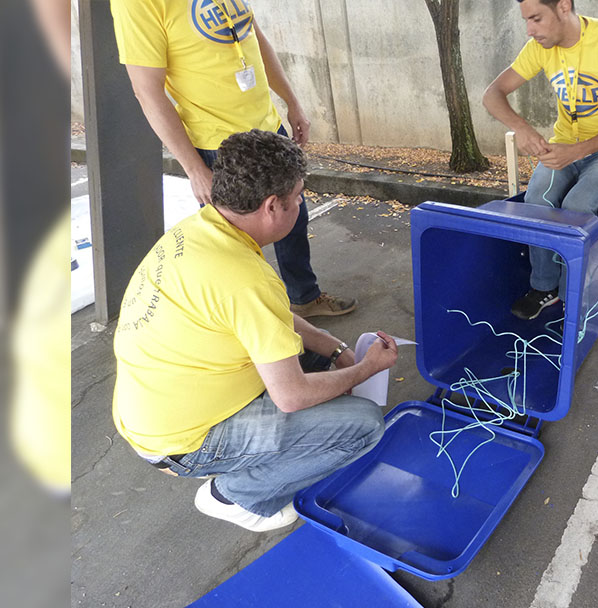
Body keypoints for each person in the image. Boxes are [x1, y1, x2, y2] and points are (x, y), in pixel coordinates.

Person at [111, 130, 399, 532]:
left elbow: (270, 316)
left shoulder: (201, 230)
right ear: (272, 206)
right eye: (298, 196)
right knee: (363, 425)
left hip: (156, 409)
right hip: (184, 441)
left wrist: (336, 351)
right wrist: (365, 369)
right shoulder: (246, 278)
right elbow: (292, 396)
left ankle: (267, 452)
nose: (302, 203)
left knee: (316, 359)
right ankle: (236, 497)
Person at [111, 0, 356, 318]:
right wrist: (194, 169)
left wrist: (292, 101)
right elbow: (147, 92)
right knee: (234, 246)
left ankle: (304, 298)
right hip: (219, 148)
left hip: (268, 129)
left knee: (293, 217)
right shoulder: (138, 5)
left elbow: (253, 35)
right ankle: (257, 323)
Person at [483, 0, 598, 320]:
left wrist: (577, 151)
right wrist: (522, 128)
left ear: (564, 6)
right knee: (537, 201)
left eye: (536, 18)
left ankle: (573, 294)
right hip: (564, 148)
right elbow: (492, 94)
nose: (530, 29)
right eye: (527, 20)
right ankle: (545, 287)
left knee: (577, 207)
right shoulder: (539, 47)